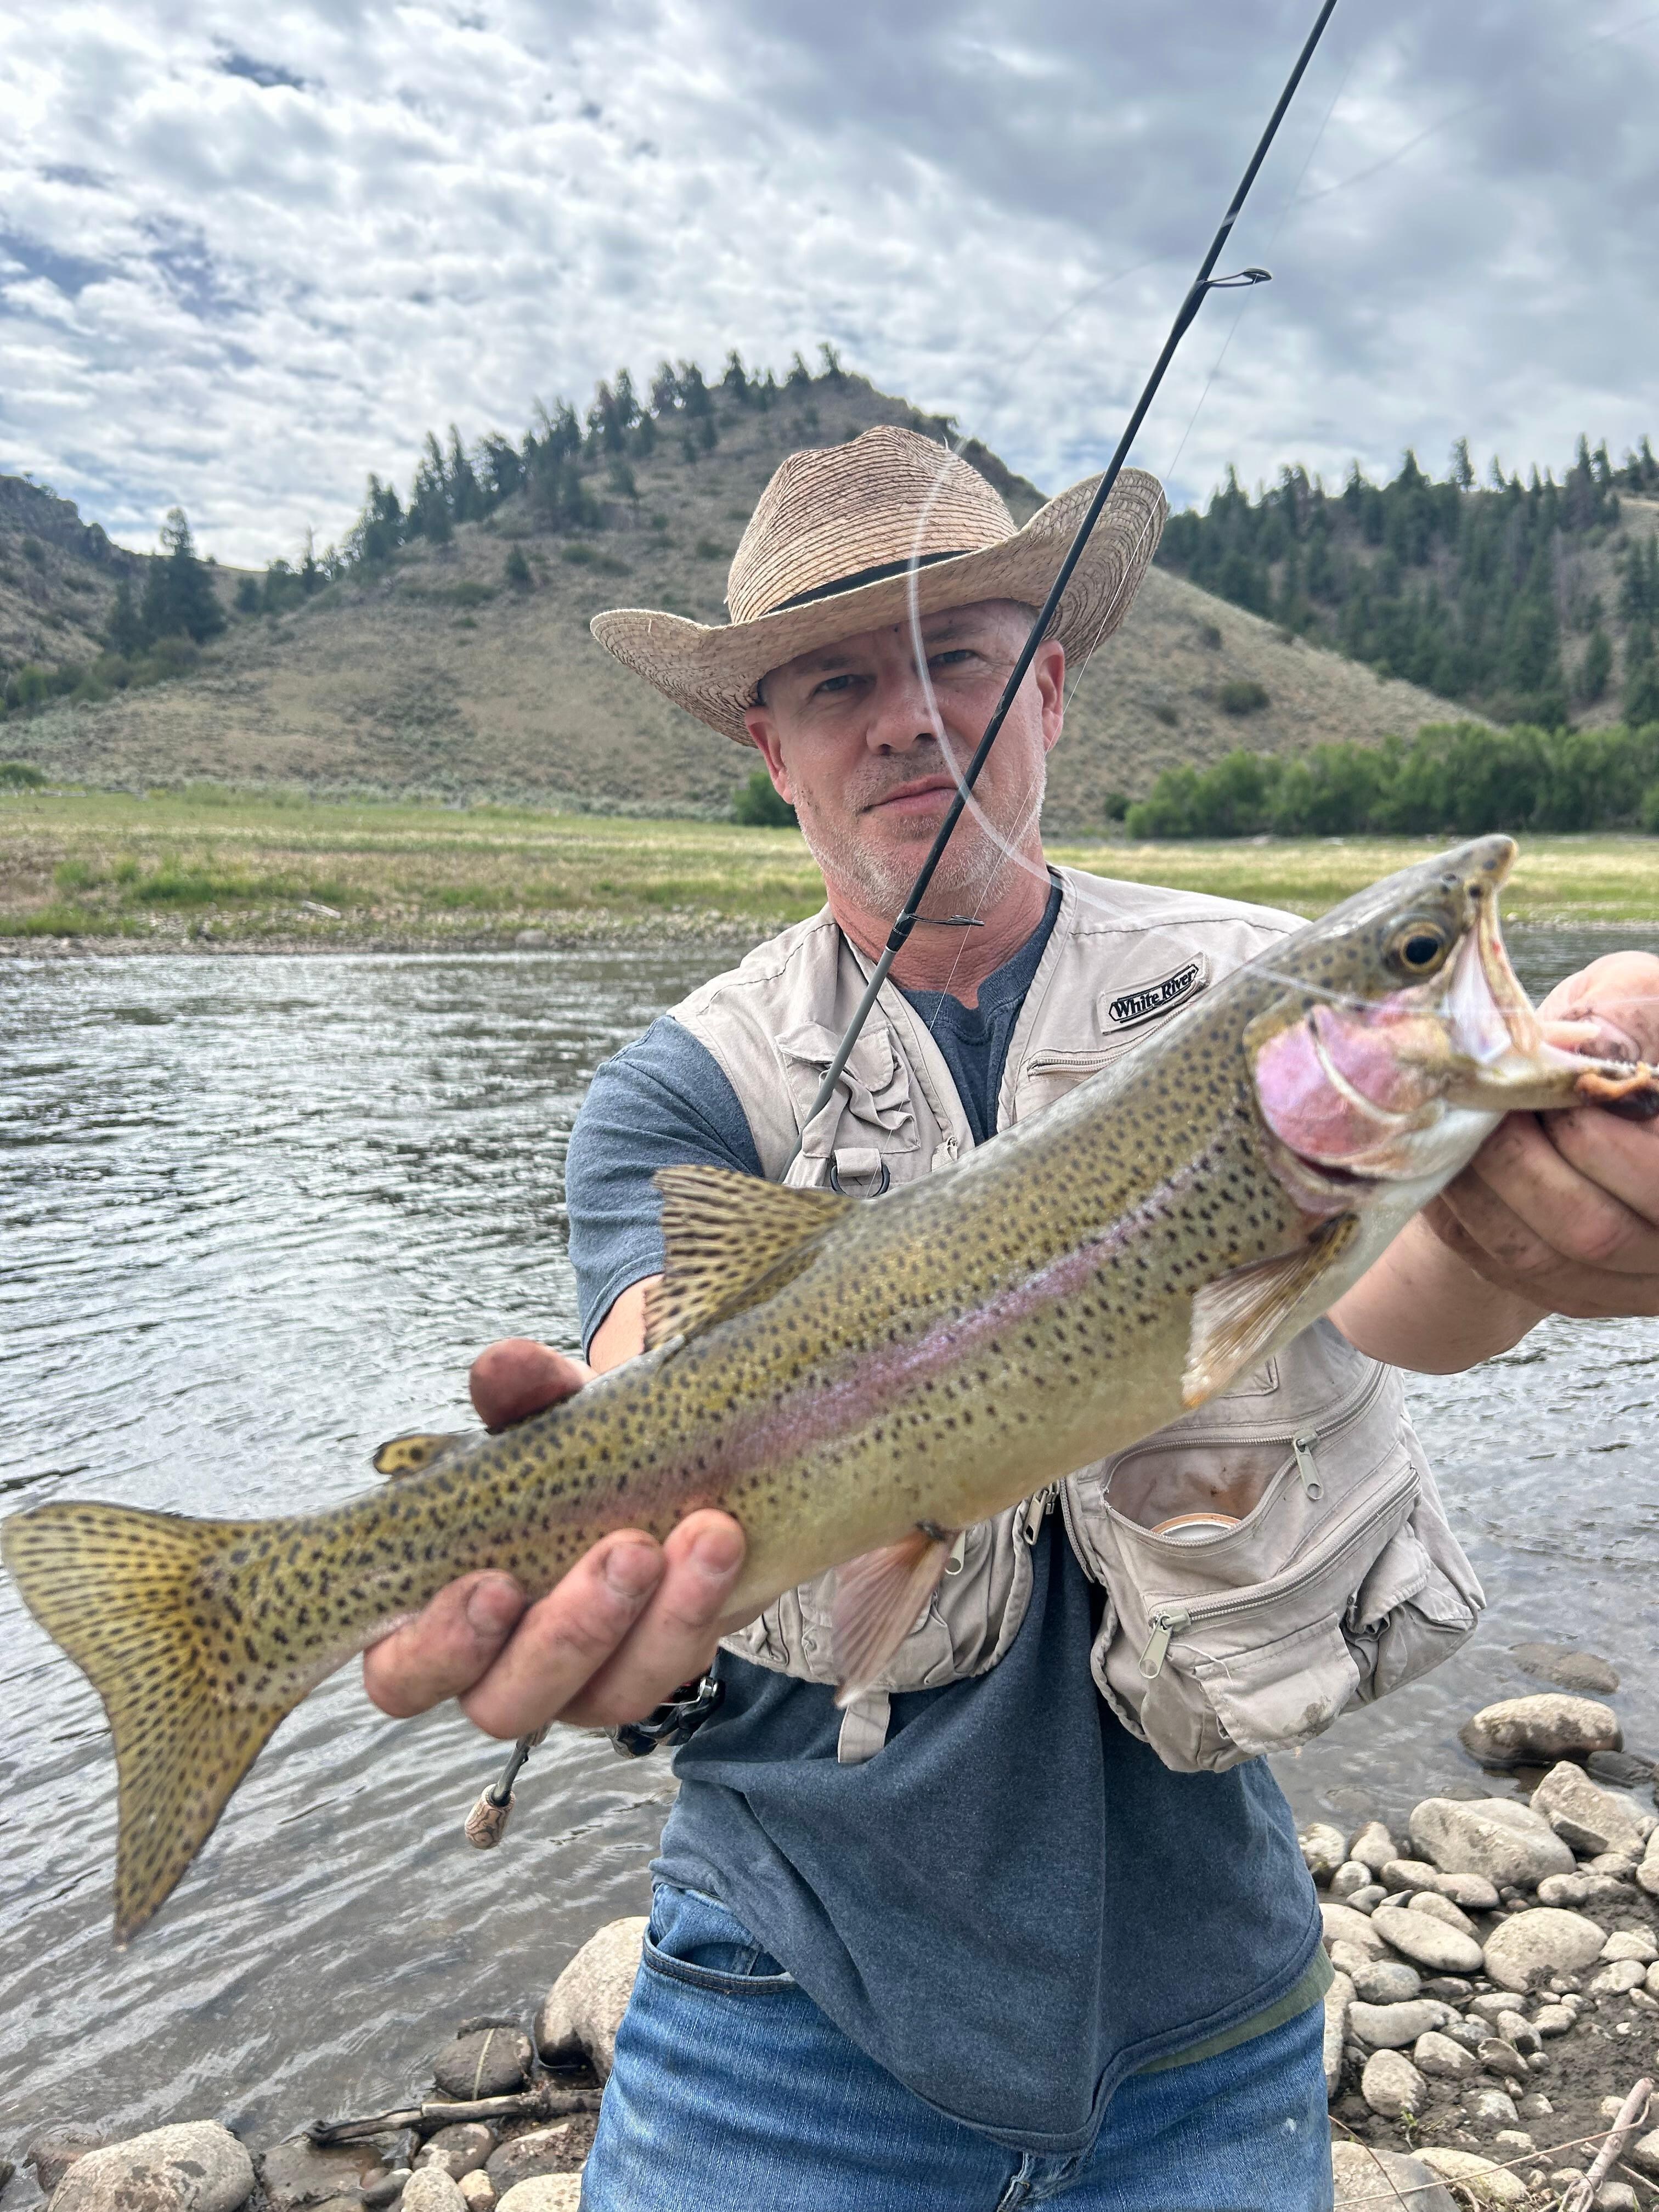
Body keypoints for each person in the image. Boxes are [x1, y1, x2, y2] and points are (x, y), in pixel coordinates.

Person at [364, 426, 1659, 2211]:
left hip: (1209, 2022)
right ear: (773, 749)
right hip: (777, 2007)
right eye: (838, 682)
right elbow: (648, 1356)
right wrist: (585, 1487)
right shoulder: (678, 1088)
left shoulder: (1255, 989)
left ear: (1046, 684)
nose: (909, 718)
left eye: (956, 658)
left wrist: (1538, 1231)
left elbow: (1418, 1292)